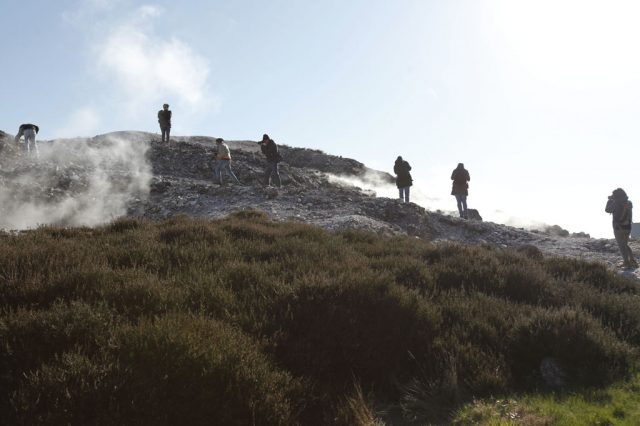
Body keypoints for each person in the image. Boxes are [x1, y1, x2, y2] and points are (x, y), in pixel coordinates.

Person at [605, 188, 638, 268]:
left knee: (621, 245)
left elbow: (607, 210)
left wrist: (609, 200)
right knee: (625, 244)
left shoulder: (615, 203)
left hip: (618, 227)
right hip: (628, 226)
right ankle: (632, 261)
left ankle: (626, 262)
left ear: (616, 195)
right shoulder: (629, 202)